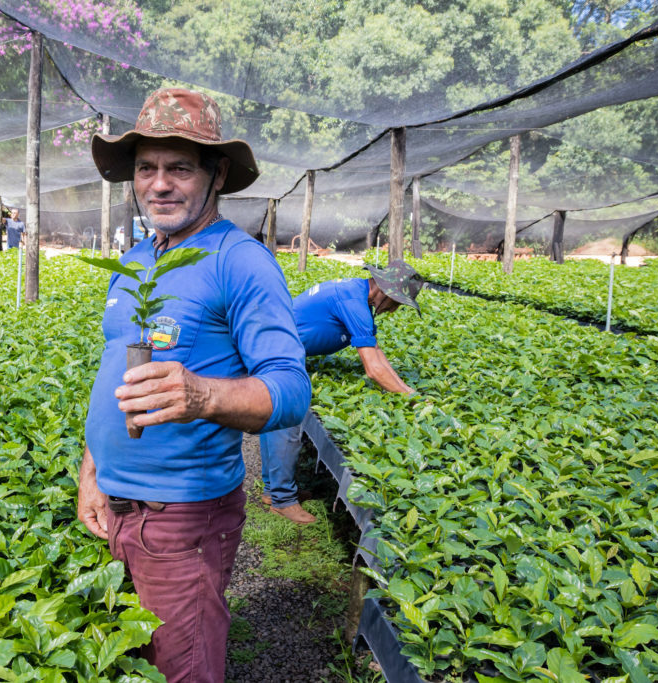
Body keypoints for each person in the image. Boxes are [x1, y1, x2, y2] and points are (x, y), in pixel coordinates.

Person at [77, 87, 311, 682]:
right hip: (120, 509)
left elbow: (289, 390)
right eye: (146, 168)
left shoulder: (241, 261)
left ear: (217, 174)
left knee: (183, 668)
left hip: (182, 518)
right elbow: (114, 374)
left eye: (179, 168)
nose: (159, 184)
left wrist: (201, 395)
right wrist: (93, 470)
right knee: (140, 660)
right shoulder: (135, 262)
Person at [260, 260, 425, 524]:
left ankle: (273, 491)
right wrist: (411, 400)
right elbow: (373, 369)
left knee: (277, 420)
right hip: (276, 352)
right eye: (397, 302)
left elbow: (377, 354)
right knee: (286, 419)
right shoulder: (354, 303)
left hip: (279, 348)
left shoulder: (355, 294)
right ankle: (282, 500)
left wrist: (410, 392)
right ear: (384, 291)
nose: (394, 310)